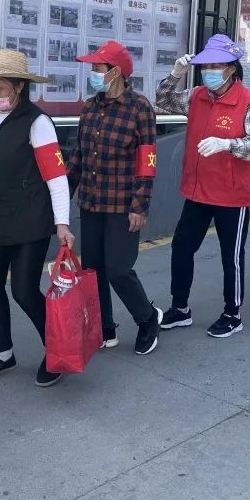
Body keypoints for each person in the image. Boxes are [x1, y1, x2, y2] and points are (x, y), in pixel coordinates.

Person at [0, 49, 75, 388]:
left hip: (28, 220)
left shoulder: (38, 123)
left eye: (0, 87)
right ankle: (3, 353)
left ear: (19, 86)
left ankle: (58, 350)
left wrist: (62, 223)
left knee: (23, 290)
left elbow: (56, 178)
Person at [155, 34, 250, 338]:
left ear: (231, 69)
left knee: (231, 256)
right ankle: (180, 308)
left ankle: (233, 313)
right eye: (205, 66)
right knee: (182, 247)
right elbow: (162, 102)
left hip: (231, 194)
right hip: (198, 190)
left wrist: (227, 144)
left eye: (216, 66)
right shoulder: (197, 95)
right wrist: (175, 75)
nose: (209, 71)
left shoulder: (248, 101)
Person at [69, 40, 162, 355]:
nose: (93, 74)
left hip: (123, 205)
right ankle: (104, 328)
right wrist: (62, 195)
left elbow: (147, 162)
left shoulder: (139, 108)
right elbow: (79, 156)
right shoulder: (89, 107)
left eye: (98, 68)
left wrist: (140, 205)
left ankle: (147, 318)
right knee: (93, 270)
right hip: (92, 201)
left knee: (118, 269)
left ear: (116, 72)